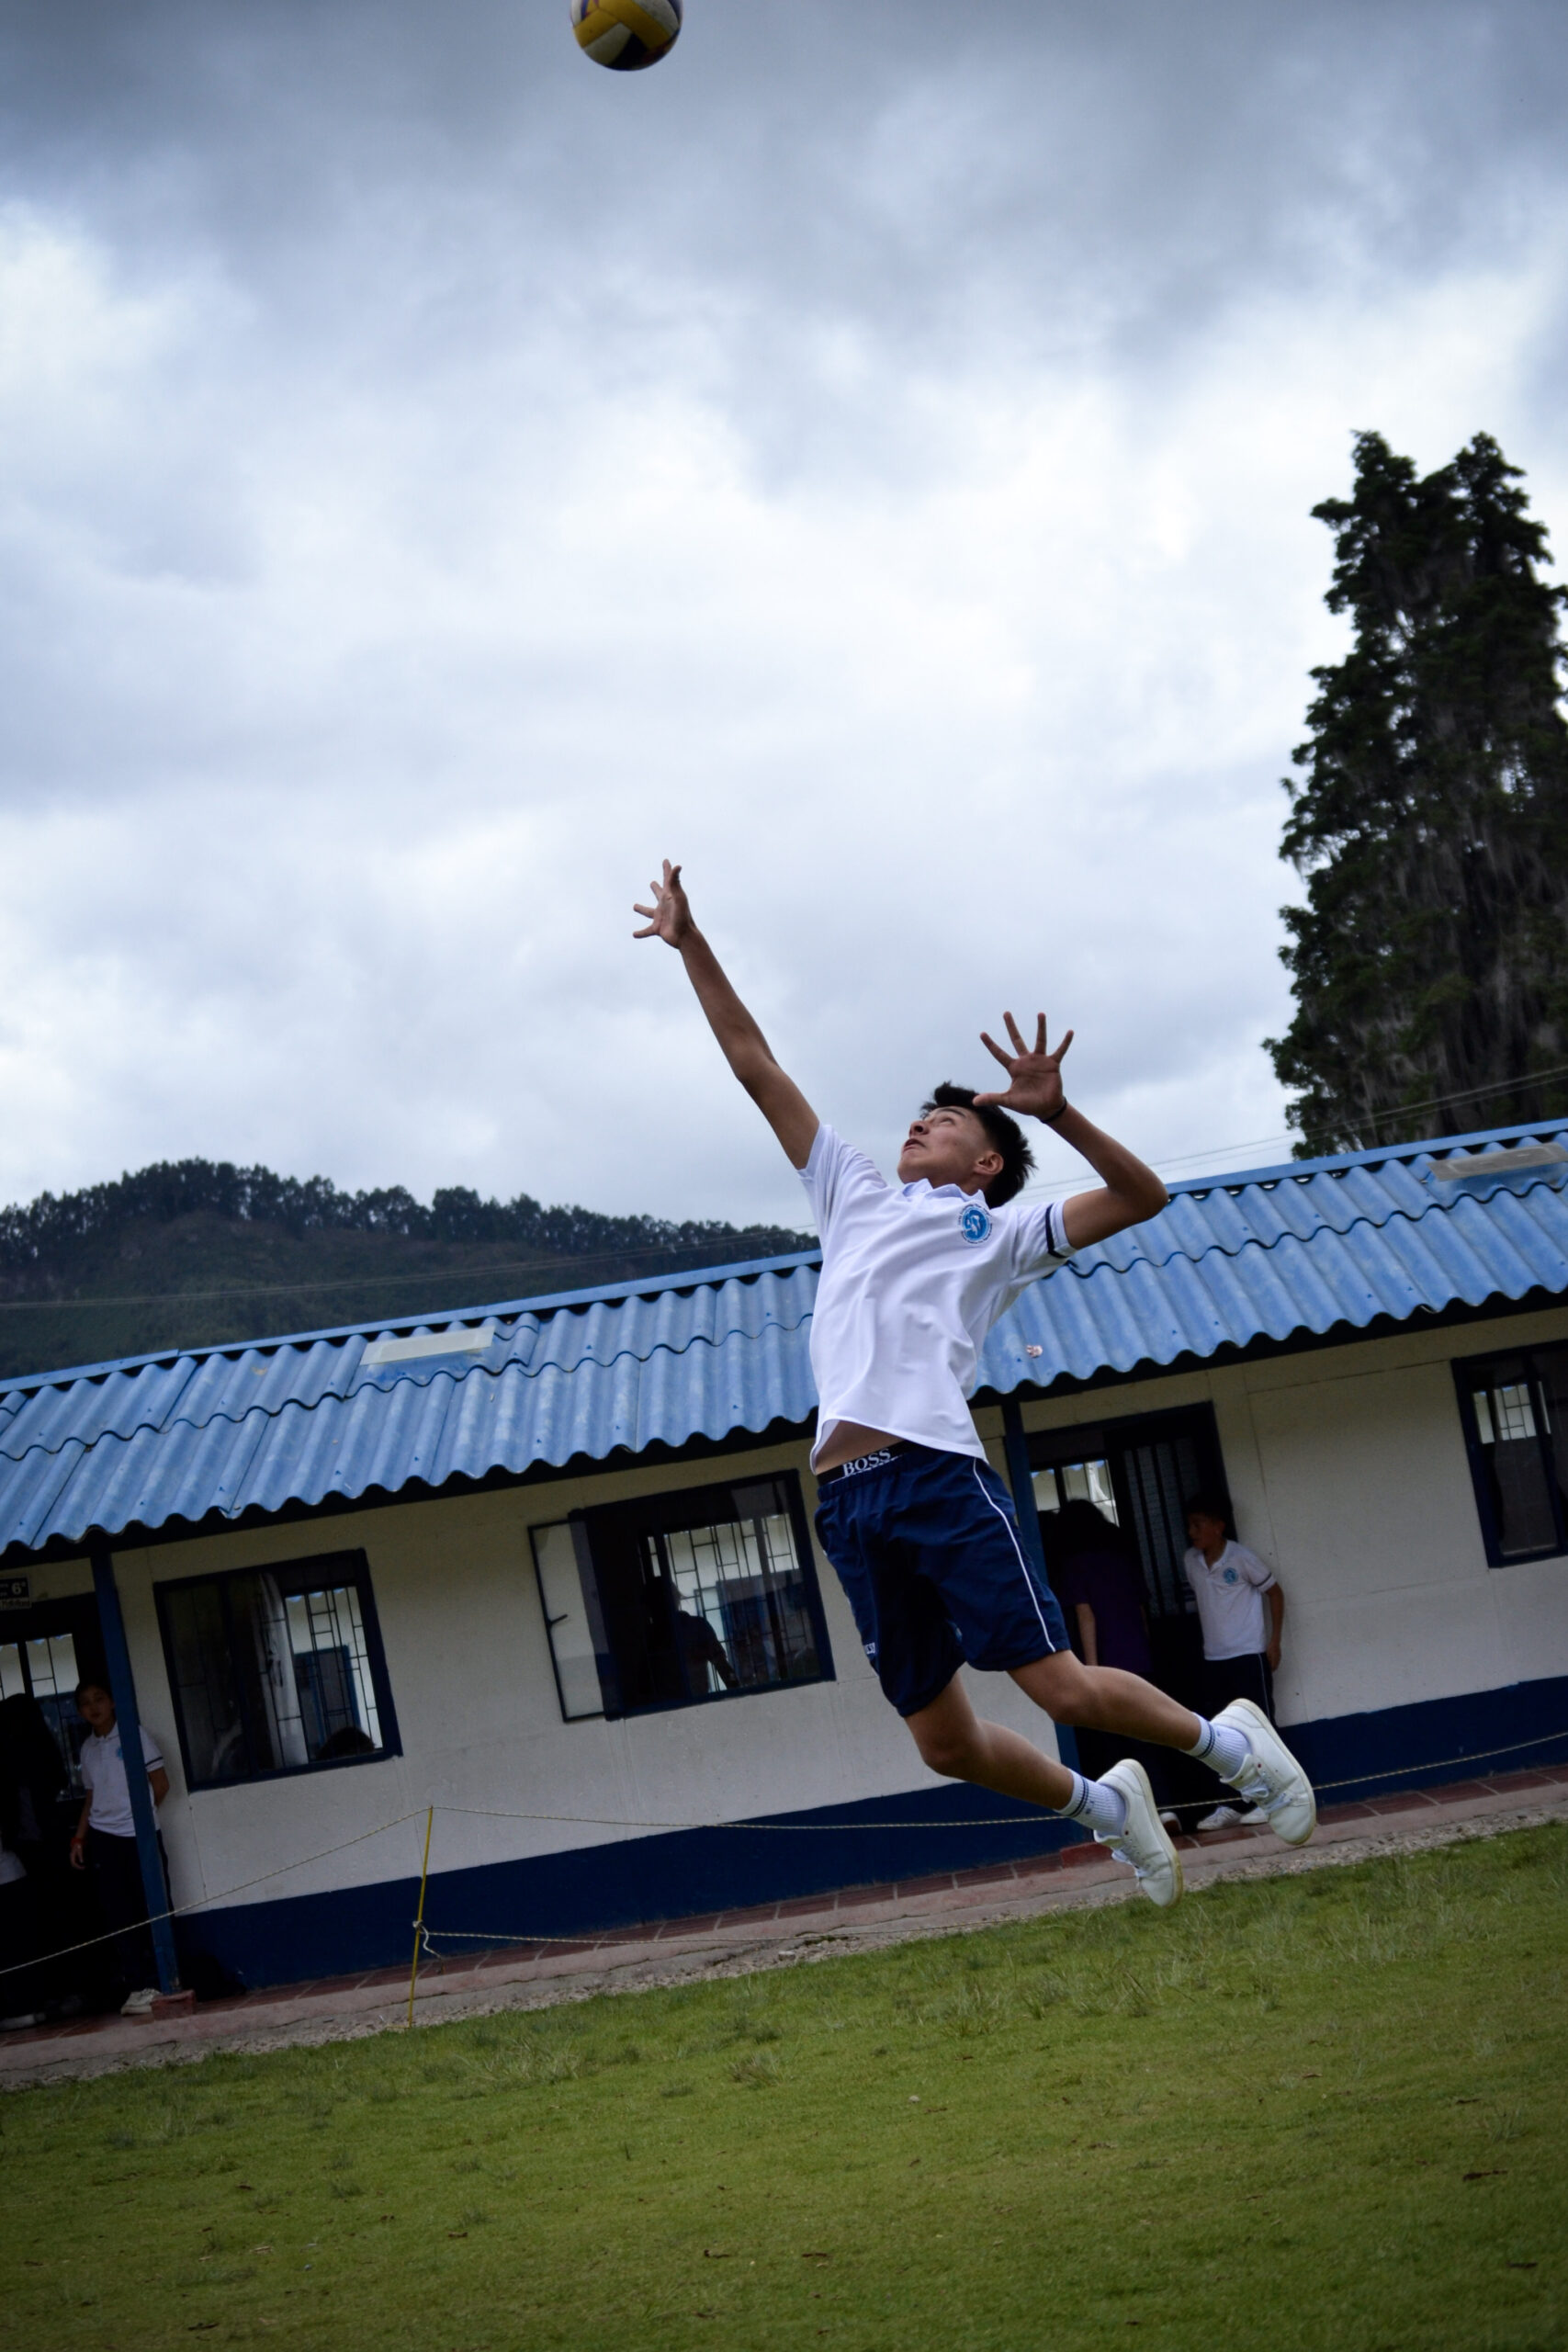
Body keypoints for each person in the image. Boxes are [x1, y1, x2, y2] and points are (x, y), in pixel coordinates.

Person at [633, 861, 1315, 1906]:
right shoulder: (851, 1196)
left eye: (947, 1121)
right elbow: (754, 1064)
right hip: (846, 1502)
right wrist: (692, 944)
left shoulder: (998, 1232)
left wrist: (1062, 1111)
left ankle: (1232, 1747)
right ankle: (1108, 1807)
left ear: (987, 1163)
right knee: (942, 1743)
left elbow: (1142, 1195)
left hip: (935, 1475)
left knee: (1058, 1686)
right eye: (918, 1114)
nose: (920, 1122)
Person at [1045, 1499, 1174, 1815]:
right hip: (1138, 1659)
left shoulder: (1075, 1565)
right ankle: (1166, 1805)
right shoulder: (1122, 1560)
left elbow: (1085, 1615)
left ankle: (1132, 1812)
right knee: (1148, 1734)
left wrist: (1090, 1668)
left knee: (1114, 1744)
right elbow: (1141, 1611)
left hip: (1105, 1663)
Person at [1183, 1495, 1287, 1830]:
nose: (1192, 1532)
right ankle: (1232, 1803)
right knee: (1223, 1735)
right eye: (1190, 1525)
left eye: (1198, 1524)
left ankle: (1274, 1798)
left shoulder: (1241, 1558)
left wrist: (1274, 1641)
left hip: (1248, 1656)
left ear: (1218, 1526)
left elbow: (1275, 1593)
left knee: (1260, 1728)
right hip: (1214, 1659)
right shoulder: (1191, 1561)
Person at [70, 1682, 170, 2015]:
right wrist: (79, 1838)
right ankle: (136, 1987)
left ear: (112, 1702)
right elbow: (91, 1797)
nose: (94, 1707)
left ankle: (161, 1980)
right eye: (86, 1703)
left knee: (150, 1905)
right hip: (104, 1838)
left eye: (99, 1699)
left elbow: (161, 1784)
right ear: (79, 1711)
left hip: (140, 1835)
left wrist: (140, 1819)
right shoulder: (87, 1748)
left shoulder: (135, 1735)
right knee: (119, 1913)